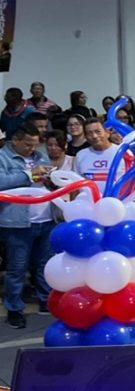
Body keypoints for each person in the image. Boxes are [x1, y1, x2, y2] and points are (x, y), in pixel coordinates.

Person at [0, 124, 52, 328]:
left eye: (35, 145)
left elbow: (47, 177)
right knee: (17, 268)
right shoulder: (3, 157)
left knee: (44, 265)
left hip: (45, 218)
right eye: (28, 145)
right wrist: (29, 175)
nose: (32, 149)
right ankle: (14, 308)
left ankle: (46, 301)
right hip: (18, 222)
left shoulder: (40, 156)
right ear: (15, 141)